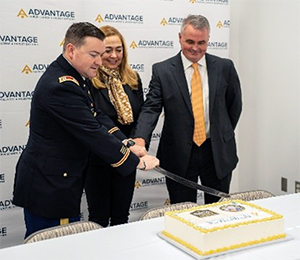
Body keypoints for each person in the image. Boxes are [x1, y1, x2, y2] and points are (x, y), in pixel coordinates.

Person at [12, 22, 159, 238]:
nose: (99, 62)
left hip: (59, 181)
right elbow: (92, 132)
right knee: (51, 247)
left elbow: (97, 115)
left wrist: (125, 142)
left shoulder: (75, 78)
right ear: (71, 50)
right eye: (94, 54)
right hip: (50, 187)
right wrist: (136, 161)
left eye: (101, 54)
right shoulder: (62, 85)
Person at [133, 15, 242, 204]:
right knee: (183, 213)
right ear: (180, 37)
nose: (195, 48)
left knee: (218, 210)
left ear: (208, 40)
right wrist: (140, 138)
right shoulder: (163, 70)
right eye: (190, 41)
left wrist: (222, 133)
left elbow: (234, 106)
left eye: (202, 42)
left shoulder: (225, 67)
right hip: (178, 154)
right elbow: (151, 108)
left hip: (217, 152)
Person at [84, 25, 144, 227]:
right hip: (98, 160)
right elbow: (96, 120)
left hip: (127, 157)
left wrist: (135, 142)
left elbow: (140, 117)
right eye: (108, 50)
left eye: (118, 49)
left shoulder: (133, 79)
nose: (114, 55)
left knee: (121, 217)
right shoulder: (89, 80)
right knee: (98, 219)